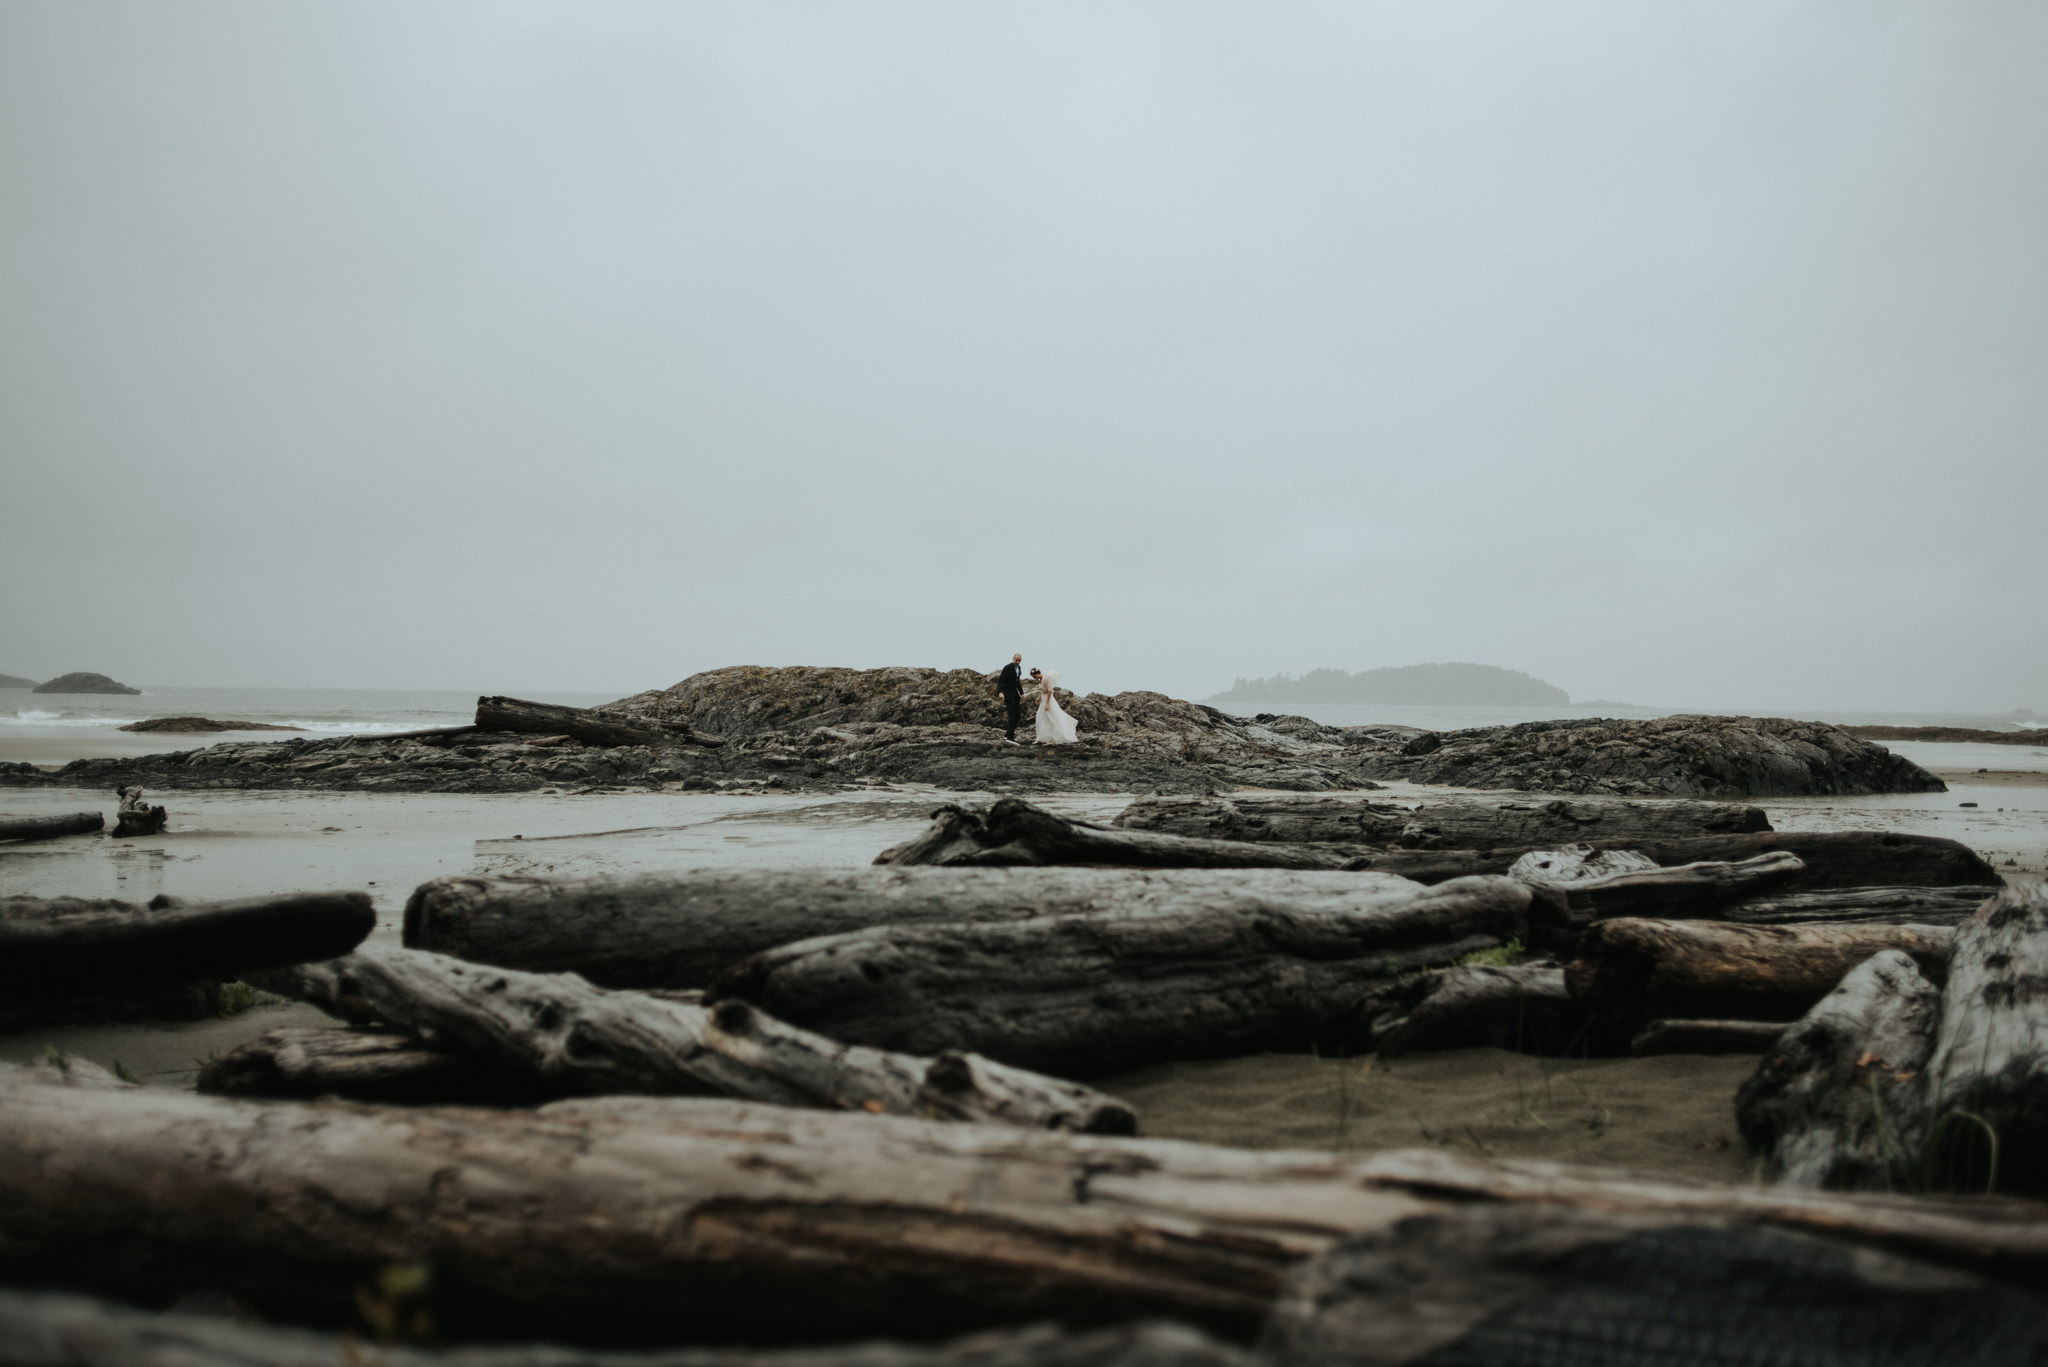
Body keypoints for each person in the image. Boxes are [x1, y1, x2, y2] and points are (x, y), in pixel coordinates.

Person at [1029, 667, 1080, 745]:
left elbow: (1050, 692)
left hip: (1048, 701)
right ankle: (1040, 737)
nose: (1034, 678)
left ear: (1037, 673)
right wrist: (1038, 699)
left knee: (1051, 718)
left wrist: (1047, 703)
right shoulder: (1041, 681)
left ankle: (1053, 739)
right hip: (1043, 700)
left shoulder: (1046, 679)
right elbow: (1044, 691)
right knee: (1040, 718)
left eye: (1034, 676)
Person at [995, 653, 1024, 741]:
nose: (1018, 662)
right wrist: (1000, 692)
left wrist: (1022, 692)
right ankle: (1010, 737)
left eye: (1019, 660)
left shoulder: (1018, 668)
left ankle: (1008, 733)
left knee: (1018, 715)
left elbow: (1017, 681)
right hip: (1007, 694)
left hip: (1015, 694)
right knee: (1012, 715)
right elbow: (1001, 680)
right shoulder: (1007, 667)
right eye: (1016, 660)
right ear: (1013, 659)